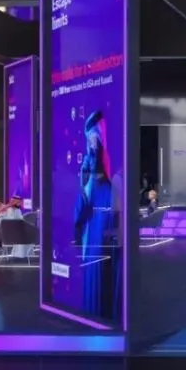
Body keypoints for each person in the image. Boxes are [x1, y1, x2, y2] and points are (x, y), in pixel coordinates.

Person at [74, 111, 120, 319]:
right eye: (89, 143)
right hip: (95, 239)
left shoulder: (106, 187)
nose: (92, 148)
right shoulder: (92, 184)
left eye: (95, 143)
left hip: (100, 243)